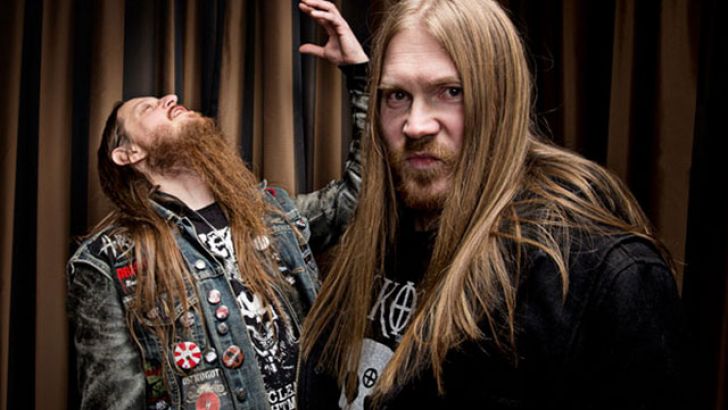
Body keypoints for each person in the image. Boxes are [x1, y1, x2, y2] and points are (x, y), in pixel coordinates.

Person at [297, 0, 688, 409]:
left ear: (500, 101)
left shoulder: (593, 271)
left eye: (451, 92)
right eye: (397, 95)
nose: (415, 125)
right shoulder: (380, 232)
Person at [66, 1, 367, 409]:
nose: (170, 97)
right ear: (128, 154)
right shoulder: (108, 262)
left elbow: (358, 196)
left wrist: (360, 74)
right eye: (147, 107)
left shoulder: (272, 213)